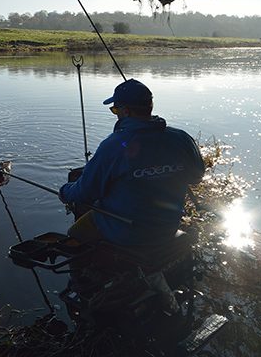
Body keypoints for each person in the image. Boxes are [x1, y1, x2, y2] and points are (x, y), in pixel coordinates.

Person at [58, 78, 204, 252]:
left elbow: (85, 192)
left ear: (126, 111)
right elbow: (196, 177)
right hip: (167, 227)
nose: (116, 113)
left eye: (115, 109)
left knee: (75, 233)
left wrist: (64, 192)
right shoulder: (181, 138)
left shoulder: (114, 145)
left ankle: (83, 277)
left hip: (126, 232)